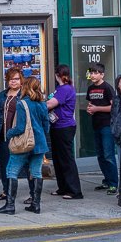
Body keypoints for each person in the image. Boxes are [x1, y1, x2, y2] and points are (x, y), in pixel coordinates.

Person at [0, 76, 50, 215]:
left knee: (11, 171)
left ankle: (10, 205)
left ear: (25, 87)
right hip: (39, 144)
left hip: (24, 144)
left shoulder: (22, 104)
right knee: (36, 172)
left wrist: (9, 133)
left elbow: (20, 128)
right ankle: (36, 205)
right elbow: (46, 127)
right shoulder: (43, 104)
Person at [47, 64, 83, 200]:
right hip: (57, 126)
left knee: (66, 159)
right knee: (57, 158)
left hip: (64, 127)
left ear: (57, 75)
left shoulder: (65, 89)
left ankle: (75, 191)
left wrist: (36, 105)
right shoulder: (61, 88)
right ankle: (63, 187)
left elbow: (51, 104)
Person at [86, 63, 117, 194]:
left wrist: (97, 109)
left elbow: (114, 107)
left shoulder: (107, 88)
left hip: (107, 125)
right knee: (100, 155)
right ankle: (107, 181)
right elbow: (90, 104)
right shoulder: (90, 88)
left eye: (96, 73)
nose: (93, 75)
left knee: (108, 155)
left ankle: (114, 184)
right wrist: (90, 109)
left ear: (102, 74)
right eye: (91, 73)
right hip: (96, 124)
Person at [0, 68, 24, 201]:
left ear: (21, 79)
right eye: (11, 79)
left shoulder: (25, 94)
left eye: (16, 79)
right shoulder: (2, 95)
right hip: (4, 134)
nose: (13, 81)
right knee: (5, 164)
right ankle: (6, 191)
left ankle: (33, 194)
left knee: (25, 165)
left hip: (19, 135)